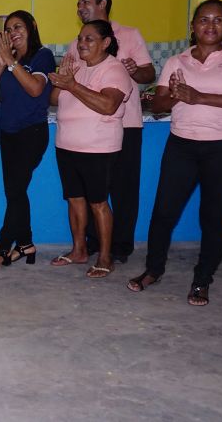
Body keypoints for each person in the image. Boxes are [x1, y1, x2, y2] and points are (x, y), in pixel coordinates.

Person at [127, 0, 222, 306]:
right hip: (182, 145)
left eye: (217, 20)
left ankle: (202, 280)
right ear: (193, 26)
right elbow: (158, 105)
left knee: (212, 217)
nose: (210, 25)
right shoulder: (177, 61)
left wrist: (198, 96)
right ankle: (152, 270)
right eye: (203, 19)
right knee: (163, 212)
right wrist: (175, 95)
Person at [64, 0, 155, 263]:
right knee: (92, 191)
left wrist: (133, 70)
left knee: (123, 188)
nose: (80, 6)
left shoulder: (129, 34)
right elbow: (71, 81)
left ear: (103, 4)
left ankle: (121, 246)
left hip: (125, 124)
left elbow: (149, 72)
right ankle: (92, 242)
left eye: (85, 2)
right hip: (87, 130)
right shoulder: (75, 44)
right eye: (78, 2)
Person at [48, 20, 132, 279]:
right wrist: (62, 81)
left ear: (106, 42)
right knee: (74, 199)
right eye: (80, 38)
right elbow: (53, 101)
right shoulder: (78, 68)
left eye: (89, 39)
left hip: (98, 148)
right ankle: (79, 250)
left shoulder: (114, 70)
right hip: (67, 144)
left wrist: (71, 84)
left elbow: (108, 105)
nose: (82, 43)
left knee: (98, 203)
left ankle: (105, 257)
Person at [0, 10, 54, 270]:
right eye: (9, 29)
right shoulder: (8, 61)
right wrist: (2, 63)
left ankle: (1, 247)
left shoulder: (42, 56)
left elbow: (35, 89)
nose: (13, 33)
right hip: (7, 134)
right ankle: (25, 243)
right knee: (15, 193)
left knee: (17, 190)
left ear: (32, 27)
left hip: (31, 133)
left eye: (18, 27)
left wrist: (11, 62)